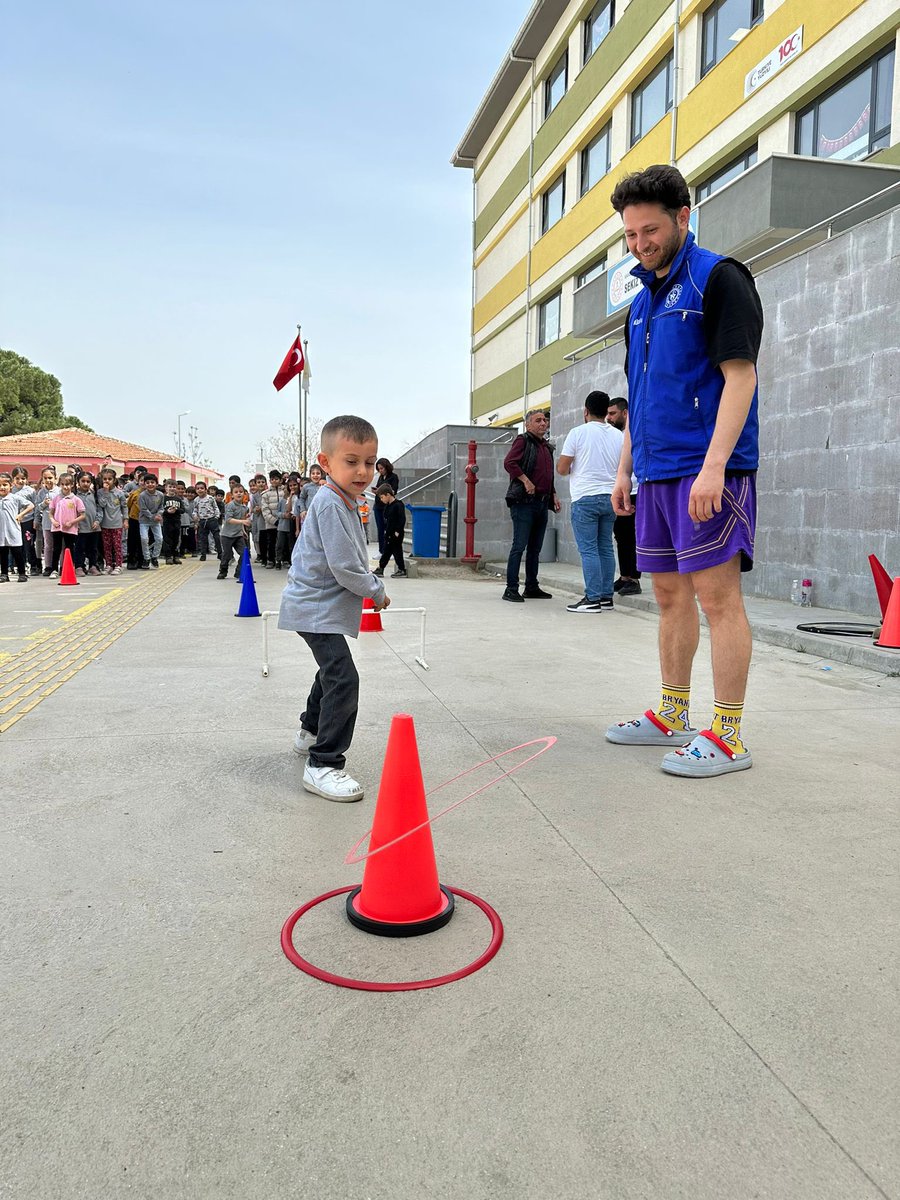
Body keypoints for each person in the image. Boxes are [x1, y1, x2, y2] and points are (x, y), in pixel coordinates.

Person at [606, 164, 763, 778]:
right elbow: (637, 393)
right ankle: (673, 714)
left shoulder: (719, 279)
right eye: (630, 236)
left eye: (650, 231)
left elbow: (740, 376)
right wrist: (626, 468)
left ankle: (727, 735)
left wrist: (714, 467)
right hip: (656, 471)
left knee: (718, 599)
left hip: (708, 472)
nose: (641, 244)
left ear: (683, 218)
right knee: (669, 595)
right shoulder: (641, 302)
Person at [278, 414, 389, 803]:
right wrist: (376, 590)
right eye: (351, 461)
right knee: (344, 678)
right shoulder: (329, 503)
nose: (363, 471)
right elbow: (344, 568)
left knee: (331, 671)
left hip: (320, 607)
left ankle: (310, 732)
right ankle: (323, 763)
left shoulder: (345, 500)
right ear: (326, 463)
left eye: (370, 462)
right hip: (314, 608)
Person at [556, 391, 622, 613]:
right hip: (610, 497)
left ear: (585, 411)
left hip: (585, 498)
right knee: (605, 547)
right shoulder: (618, 435)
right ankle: (606, 597)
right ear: (606, 412)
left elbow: (562, 468)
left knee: (589, 550)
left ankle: (592, 599)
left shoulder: (577, 433)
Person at [501, 409, 560, 602]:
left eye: (545, 420)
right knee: (519, 546)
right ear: (528, 424)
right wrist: (525, 481)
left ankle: (532, 587)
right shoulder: (523, 440)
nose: (543, 423)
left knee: (535, 548)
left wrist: (554, 495)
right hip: (523, 503)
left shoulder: (546, 447)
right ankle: (511, 589)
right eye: (538, 420)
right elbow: (510, 462)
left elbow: (548, 475)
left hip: (542, 503)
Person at [606, 398, 641, 596]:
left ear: (625, 413)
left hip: (636, 492)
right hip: (620, 492)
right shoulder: (617, 436)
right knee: (621, 536)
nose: (609, 418)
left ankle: (635, 579)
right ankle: (625, 576)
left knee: (633, 536)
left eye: (612, 413)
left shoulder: (633, 434)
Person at [0, 472, 34, 582]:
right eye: (0, 485)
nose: (2, 487)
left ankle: (22, 573)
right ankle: (4, 574)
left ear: (11, 486)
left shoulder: (15, 498)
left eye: (5, 485)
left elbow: (31, 505)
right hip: (1, 532)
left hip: (13, 530)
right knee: (3, 554)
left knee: (17, 552)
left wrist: (21, 515)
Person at [48, 473, 85, 575]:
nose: (65, 487)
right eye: (63, 484)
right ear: (60, 484)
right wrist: (53, 521)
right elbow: (50, 513)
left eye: (68, 484)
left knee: (69, 549)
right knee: (56, 549)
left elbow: (82, 515)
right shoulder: (56, 498)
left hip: (70, 529)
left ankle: (68, 569)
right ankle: (54, 570)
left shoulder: (76, 499)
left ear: (72, 484)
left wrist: (72, 522)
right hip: (57, 528)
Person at [372, 485, 406, 578]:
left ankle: (401, 569)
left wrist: (397, 531)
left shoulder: (398, 505)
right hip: (389, 533)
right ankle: (381, 568)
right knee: (386, 551)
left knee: (397, 551)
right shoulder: (387, 506)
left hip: (396, 533)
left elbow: (402, 519)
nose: (381, 500)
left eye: (382, 497)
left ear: (388, 495)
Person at [97, 468, 127, 574]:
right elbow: (101, 504)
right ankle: (108, 564)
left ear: (114, 480)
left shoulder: (119, 493)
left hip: (117, 523)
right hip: (105, 524)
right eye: (105, 479)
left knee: (117, 545)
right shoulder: (100, 492)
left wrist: (125, 520)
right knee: (107, 545)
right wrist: (105, 492)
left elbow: (124, 507)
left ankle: (118, 565)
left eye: (109, 479)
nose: (107, 481)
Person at [10, 467, 39, 575]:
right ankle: (18, 565)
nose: (20, 481)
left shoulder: (31, 491)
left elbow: (35, 506)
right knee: (17, 545)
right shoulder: (11, 490)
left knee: (29, 545)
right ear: (13, 479)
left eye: (23, 478)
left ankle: (34, 566)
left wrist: (36, 520)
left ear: (26, 479)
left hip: (28, 521)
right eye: (17, 478)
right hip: (15, 522)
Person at [218, 485, 250, 579]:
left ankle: (239, 572)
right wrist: (243, 522)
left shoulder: (244, 507)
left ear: (244, 494)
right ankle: (223, 571)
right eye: (236, 492)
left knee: (245, 553)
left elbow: (241, 520)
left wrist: (243, 530)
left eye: (241, 491)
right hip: (227, 535)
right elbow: (229, 519)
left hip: (238, 535)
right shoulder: (230, 505)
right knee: (227, 555)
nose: (239, 493)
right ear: (232, 495)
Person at [74, 472, 102, 575]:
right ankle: (79, 567)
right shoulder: (74, 496)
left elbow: (99, 509)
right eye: (83, 481)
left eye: (88, 481)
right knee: (79, 548)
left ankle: (93, 566)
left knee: (93, 549)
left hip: (94, 527)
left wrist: (97, 521)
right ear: (78, 482)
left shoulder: (94, 495)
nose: (85, 483)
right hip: (80, 528)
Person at [36, 466, 59, 576]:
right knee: (48, 546)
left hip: (59, 523)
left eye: (50, 477)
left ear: (55, 478)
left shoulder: (60, 491)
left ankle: (61, 565)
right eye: (45, 478)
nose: (48, 480)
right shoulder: (41, 492)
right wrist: (44, 503)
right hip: (46, 523)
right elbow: (38, 507)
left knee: (60, 545)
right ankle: (48, 566)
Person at [373, 458, 399, 554]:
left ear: (386, 467)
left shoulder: (393, 477)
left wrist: (382, 491)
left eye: (382, 468)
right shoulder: (380, 477)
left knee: (388, 529)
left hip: (387, 507)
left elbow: (394, 491)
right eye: (378, 469)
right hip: (378, 506)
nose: (380, 471)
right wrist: (376, 491)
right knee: (380, 529)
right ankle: (381, 551)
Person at [137, 473, 164, 568]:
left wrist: (159, 514)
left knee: (159, 539)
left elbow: (161, 507)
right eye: (147, 482)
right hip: (144, 521)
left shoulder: (160, 495)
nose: (150, 484)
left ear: (156, 484)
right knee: (144, 539)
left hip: (156, 522)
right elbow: (143, 509)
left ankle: (155, 557)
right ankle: (146, 558)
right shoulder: (142, 495)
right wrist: (153, 516)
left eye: (152, 482)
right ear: (144, 484)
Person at [259, 470, 284, 568]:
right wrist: (273, 520)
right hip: (271, 523)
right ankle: (271, 560)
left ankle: (284, 559)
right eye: (272, 479)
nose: (274, 481)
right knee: (271, 542)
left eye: (276, 479)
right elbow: (265, 510)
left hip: (284, 522)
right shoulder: (265, 494)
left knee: (283, 543)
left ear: (281, 480)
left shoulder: (285, 491)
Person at [192, 480, 221, 562]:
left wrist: (216, 517)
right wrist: (195, 516)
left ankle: (220, 553)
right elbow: (195, 510)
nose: (200, 490)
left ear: (205, 489)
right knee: (202, 538)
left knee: (216, 537)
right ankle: (203, 554)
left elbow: (215, 508)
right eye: (198, 488)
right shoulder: (196, 500)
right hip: (202, 521)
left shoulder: (211, 498)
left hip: (212, 519)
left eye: (202, 488)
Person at [161, 479, 184, 565]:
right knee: (167, 539)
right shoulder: (163, 498)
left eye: (174, 487)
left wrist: (176, 510)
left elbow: (183, 510)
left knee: (176, 539)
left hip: (176, 522)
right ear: (166, 488)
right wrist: (167, 511)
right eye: (170, 487)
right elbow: (160, 509)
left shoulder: (178, 499)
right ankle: (168, 557)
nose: (172, 488)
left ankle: (176, 556)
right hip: (167, 522)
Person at [297, 463, 325, 528]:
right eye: (313, 473)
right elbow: (301, 498)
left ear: (321, 474)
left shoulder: (324, 486)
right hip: (308, 515)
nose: (315, 475)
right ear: (310, 475)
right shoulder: (306, 487)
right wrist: (303, 510)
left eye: (318, 473)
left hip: (321, 515)